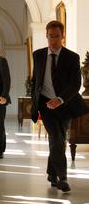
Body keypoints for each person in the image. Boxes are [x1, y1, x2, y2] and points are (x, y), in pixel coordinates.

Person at [31, 20, 89, 192]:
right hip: (45, 104)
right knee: (56, 137)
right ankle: (63, 177)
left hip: (65, 105)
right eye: (50, 37)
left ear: (62, 36)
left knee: (59, 139)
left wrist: (60, 99)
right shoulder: (38, 55)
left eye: (57, 37)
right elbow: (37, 80)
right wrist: (36, 100)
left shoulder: (72, 57)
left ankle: (52, 173)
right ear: (46, 36)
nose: (53, 40)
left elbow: (75, 84)